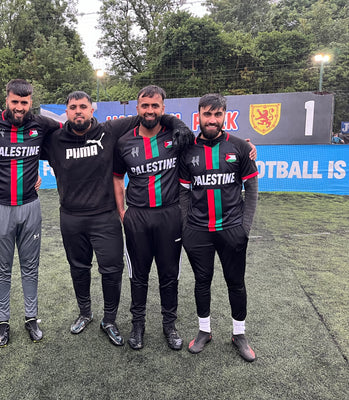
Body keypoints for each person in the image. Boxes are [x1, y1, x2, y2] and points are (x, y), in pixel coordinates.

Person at [40, 91, 191, 346]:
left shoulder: (109, 131)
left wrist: (179, 124)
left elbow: (150, 115)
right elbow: (22, 149)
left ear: (92, 110)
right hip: (70, 218)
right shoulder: (55, 140)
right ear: (66, 111)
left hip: (105, 217)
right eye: (73, 107)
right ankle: (85, 313)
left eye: (83, 107)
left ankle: (109, 319)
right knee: (79, 268)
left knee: (112, 270)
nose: (78, 111)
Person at [0, 79, 60, 347]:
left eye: (24, 102)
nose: (19, 107)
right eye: (15, 102)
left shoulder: (41, 124)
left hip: (30, 206)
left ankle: (31, 318)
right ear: (7, 100)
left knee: (30, 267)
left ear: (31, 102)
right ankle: (3, 322)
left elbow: (68, 132)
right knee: (1, 269)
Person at [179, 93, 259, 362]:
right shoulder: (187, 150)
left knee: (235, 282)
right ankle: (204, 331)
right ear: (198, 116)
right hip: (198, 231)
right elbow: (183, 194)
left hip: (232, 229)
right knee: (202, 282)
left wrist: (244, 227)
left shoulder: (239, 147)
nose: (212, 120)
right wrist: (186, 226)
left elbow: (252, 189)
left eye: (217, 114)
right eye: (207, 114)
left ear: (225, 116)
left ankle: (239, 334)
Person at [113, 85, 192, 351]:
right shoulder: (124, 141)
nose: (149, 110)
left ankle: (169, 325)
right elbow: (116, 177)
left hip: (170, 215)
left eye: (154, 106)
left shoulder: (176, 136)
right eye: (145, 106)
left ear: (163, 109)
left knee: (169, 275)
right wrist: (121, 211)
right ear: (137, 109)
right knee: (139, 275)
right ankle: (138, 325)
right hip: (137, 217)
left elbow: (207, 142)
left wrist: (247, 146)